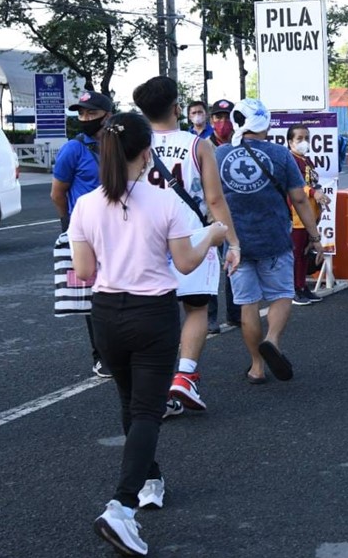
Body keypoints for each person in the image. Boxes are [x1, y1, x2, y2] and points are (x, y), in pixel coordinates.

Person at [68, 112, 228, 557]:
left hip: (105, 313)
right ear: (146, 152)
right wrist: (213, 233)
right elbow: (186, 263)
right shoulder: (164, 202)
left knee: (130, 402)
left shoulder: (86, 204)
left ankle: (149, 480)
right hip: (151, 312)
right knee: (147, 410)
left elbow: (83, 271)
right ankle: (121, 505)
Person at [134, 76, 241, 414]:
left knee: (155, 312)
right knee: (195, 308)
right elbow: (214, 199)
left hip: (144, 236)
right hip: (192, 234)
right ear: (177, 109)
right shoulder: (198, 145)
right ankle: (184, 376)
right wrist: (233, 241)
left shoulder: (134, 143)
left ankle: (155, 388)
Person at [216, 99, 324, 383]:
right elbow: (299, 198)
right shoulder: (280, 154)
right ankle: (273, 340)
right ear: (265, 123)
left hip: (236, 243)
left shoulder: (219, 155)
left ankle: (256, 367)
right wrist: (315, 237)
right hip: (275, 239)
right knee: (281, 294)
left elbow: (212, 200)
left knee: (248, 304)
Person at [51, 90, 112, 377]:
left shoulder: (118, 146)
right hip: (86, 235)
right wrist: (69, 226)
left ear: (107, 116)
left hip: (119, 231)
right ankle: (101, 355)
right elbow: (57, 193)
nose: (85, 119)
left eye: (91, 113)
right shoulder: (72, 149)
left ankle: (119, 348)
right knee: (92, 296)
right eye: (82, 114)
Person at [207, 98, 241, 334]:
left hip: (234, 215)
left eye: (227, 117)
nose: (223, 122)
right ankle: (210, 317)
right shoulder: (202, 146)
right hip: (209, 217)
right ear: (211, 121)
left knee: (233, 264)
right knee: (208, 267)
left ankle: (235, 313)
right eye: (218, 117)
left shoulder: (241, 144)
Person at [285, 124, 327, 306]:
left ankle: (302, 286)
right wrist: (313, 193)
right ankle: (295, 289)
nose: (304, 142)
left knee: (304, 253)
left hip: (309, 215)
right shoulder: (291, 160)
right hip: (296, 215)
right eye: (299, 139)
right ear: (289, 142)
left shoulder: (307, 161)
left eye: (307, 138)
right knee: (296, 254)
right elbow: (295, 185)